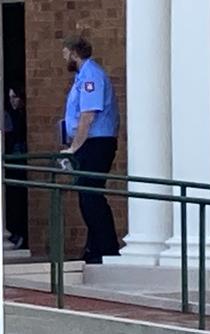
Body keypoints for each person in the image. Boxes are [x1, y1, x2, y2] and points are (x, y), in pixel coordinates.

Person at [60, 35, 120, 264]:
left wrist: (74, 147)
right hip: (91, 142)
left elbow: (88, 115)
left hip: (96, 142)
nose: (65, 59)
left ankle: (106, 249)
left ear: (74, 53)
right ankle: (94, 248)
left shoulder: (91, 76)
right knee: (87, 196)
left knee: (91, 195)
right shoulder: (82, 76)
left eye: (65, 54)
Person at [4, 87, 28, 249]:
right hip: (13, 165)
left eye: (16, 97)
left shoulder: (24, 116)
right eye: (10, 97)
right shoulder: (8, 116)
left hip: (22, 163)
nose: (13, 101)